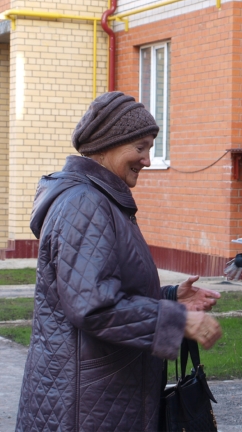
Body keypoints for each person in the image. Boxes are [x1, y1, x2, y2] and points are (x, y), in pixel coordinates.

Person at [16, 92, 223, 432]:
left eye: (150, 149)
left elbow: (100, 286)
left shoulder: (100, 200)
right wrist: (175, 321)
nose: (146, 159)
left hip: (98, 396)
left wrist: (169, 297)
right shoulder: (85, 204)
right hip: (86, 405)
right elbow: (93, 306)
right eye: (140, 148)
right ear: (109, 144)